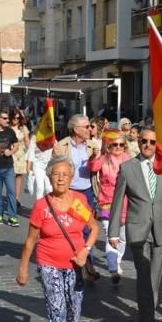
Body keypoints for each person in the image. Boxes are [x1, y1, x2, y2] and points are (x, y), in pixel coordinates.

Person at [16, 156, 99, 322]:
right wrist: (23, 268)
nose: (60, 178)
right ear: (49, 177)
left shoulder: (78, 201)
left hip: (76, 266)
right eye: (56, 174)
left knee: (74, 309)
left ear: (71, 177)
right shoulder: (42, 206)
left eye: (65, 174)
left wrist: (86, 250)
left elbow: (94, 228)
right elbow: (30, 241)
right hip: (48, 265)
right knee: (56, 312)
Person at [108, 126, 162, 322]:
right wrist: (113, 232)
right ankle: (148, 320)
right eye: (144, 141)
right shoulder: (128, 168)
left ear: (158, 145)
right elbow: (117, 201)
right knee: (144, 274)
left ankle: (149, 310)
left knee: (155, 276)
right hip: (137, 229)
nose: (147, 145)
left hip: (161, 229)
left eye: (152, 142)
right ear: (138, 143)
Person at [55, 114, 101, 281]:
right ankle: (76, 265)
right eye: (87, 127)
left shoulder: (92, 145)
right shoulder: (62, 146)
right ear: (76, 129)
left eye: (90, 126)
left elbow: (97, 169)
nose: (90, 129)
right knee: (75, 229)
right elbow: (54, 170)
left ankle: (88, 264)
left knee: (88, 229)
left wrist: (96, 159)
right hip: (71, 193)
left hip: (88, 192)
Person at [89, 129, 131, 283]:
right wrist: (94, 156)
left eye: (121, 145)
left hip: (125, 204)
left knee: (123, 237)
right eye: (115, 145)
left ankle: (117, 260)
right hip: (106, 203)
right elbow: (92, 168)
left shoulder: (128, 159)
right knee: (110, 236)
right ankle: (113, 267)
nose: (118, 148)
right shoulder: (103, 159)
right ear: (109, 146)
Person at [10, 109, 31, 202]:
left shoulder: (23, 128)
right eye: (14, 118)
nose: (16, 120)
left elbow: (27, 142)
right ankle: (11, 194)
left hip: (21, 154)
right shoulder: (7, 127)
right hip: (10, 153)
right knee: (10, 175)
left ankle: (17, 197)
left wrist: (31, 153)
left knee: (19, 176)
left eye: (18, 118)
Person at [26, 131, 53, 199]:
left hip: (49, 165)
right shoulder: (35, 137)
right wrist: (28, 168)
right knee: (40, 188)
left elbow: (57, 150)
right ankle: (39, 208)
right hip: (38, 164)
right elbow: (31, 152)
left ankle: (49, 206)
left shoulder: (52, 136)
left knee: (49, 189)